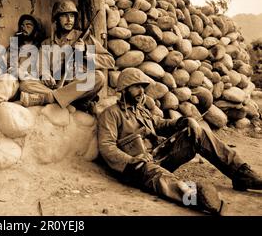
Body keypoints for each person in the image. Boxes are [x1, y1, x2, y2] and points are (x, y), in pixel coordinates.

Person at [98, 67, 262, 215]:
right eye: (136, 86)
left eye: (142, 86)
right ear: (124, 88)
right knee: (163, 182)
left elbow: (159, 123)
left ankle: (241, 174)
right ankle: (197, 198)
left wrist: (183, 121)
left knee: (199, 133)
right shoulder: (111, 114)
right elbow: (106, 146)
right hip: (136, 168)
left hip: (158, 156)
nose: (141, 91)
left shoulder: (141, 110)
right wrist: (133, 160)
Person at [19, 0, 115, 111]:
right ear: (56, 19)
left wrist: (85, 52)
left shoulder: (85, 38)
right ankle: (66, 100)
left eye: (72, 16)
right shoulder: (47, 43)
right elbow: (41, 66)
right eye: (64, 16)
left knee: (98, 77)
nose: (69, 20)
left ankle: (49, 98)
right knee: (25, 84)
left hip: (77, 86)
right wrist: (45, 75)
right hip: (55, 86)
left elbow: (110, 61)